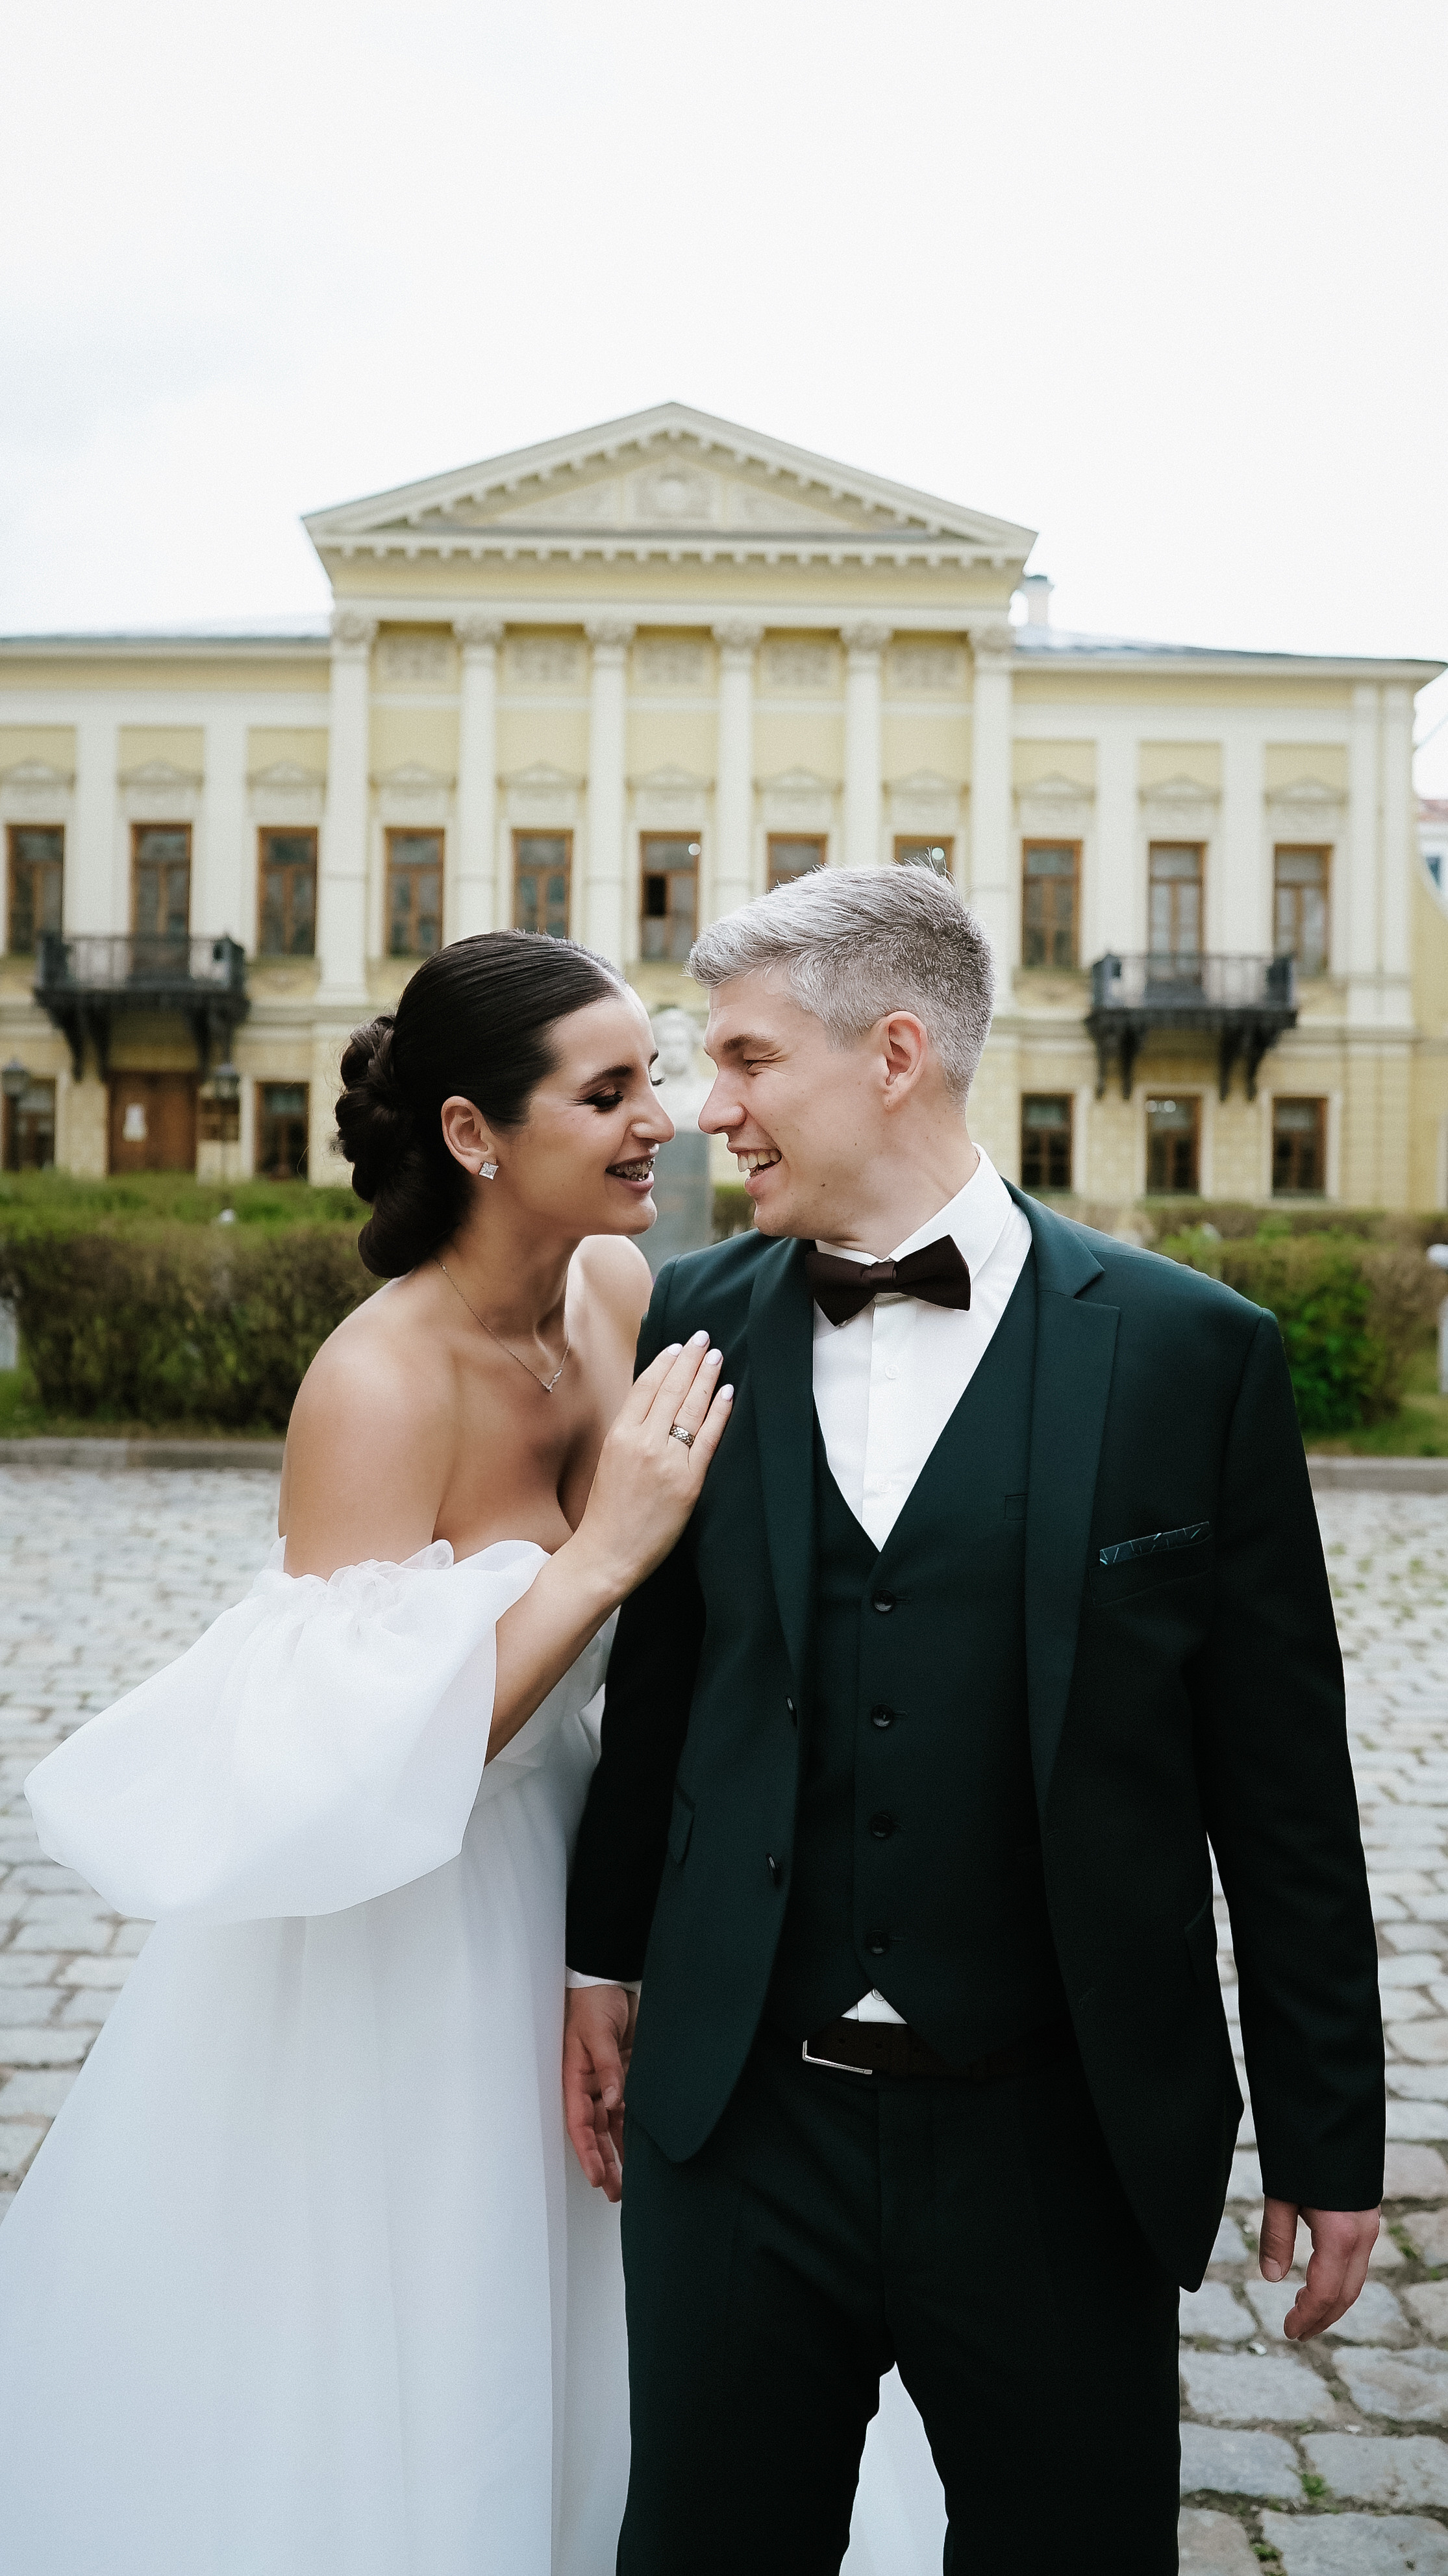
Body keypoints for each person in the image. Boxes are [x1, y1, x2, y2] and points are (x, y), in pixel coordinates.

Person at [562, 865, 1386, 2576]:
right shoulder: (697, 1318)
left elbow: (1281, 1786)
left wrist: (1328, 2136)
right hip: (739, 2130)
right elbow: (659, 1686)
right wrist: (597, 1962)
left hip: (1056, 2141)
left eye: (742, 1059)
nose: (705, 1111)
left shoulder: (1184, 1356)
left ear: (890, 1053)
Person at [0, 930, 732, 2576]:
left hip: (583, 1885)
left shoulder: (617, 1290)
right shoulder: (377, 1382)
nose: (660, 1122)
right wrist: (599, 1555)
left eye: (658, 1079)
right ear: (476, 1134)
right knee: (438, 2302)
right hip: (415, 1914)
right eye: (609, 1092)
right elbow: (353, 1758)